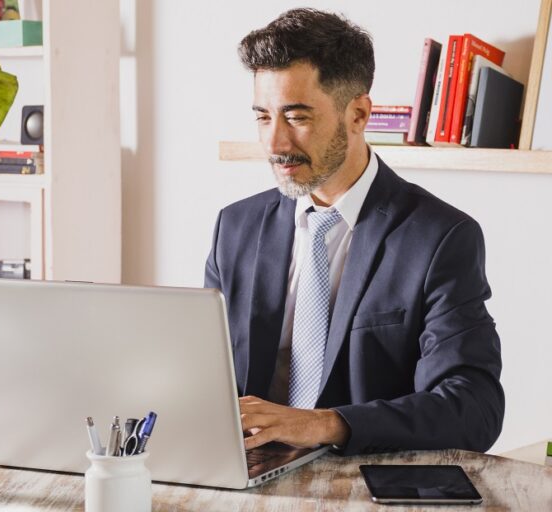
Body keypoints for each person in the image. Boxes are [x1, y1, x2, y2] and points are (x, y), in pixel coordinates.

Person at [204, 8, 503, 455]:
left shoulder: (440, 238)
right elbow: (205, 377)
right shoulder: (235, 227)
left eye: (296, 117)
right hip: (246, 471)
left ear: (359, 114)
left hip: (364, 479)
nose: (275, 143)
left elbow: (474, 409)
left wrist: (325, 424)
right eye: (263, 117)